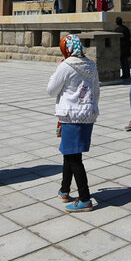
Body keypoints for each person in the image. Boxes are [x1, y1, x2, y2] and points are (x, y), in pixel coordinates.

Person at [47, 34, 100, 212]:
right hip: (87, 114)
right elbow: (96, 91)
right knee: (69, 153)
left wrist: (57, 70)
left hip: (70, 115)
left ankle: (85, 198)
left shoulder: (65, 66)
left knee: (74, 158)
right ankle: (64, 190)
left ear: (66, 49)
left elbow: (51, 90)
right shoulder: (91, 65)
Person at [115, 16, 131, 81]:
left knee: (123, 62)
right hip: (127, 47)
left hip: (122, 48)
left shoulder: (117, 30)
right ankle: (127, 74)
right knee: (126, 62)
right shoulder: (126, 28)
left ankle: (125, 74)